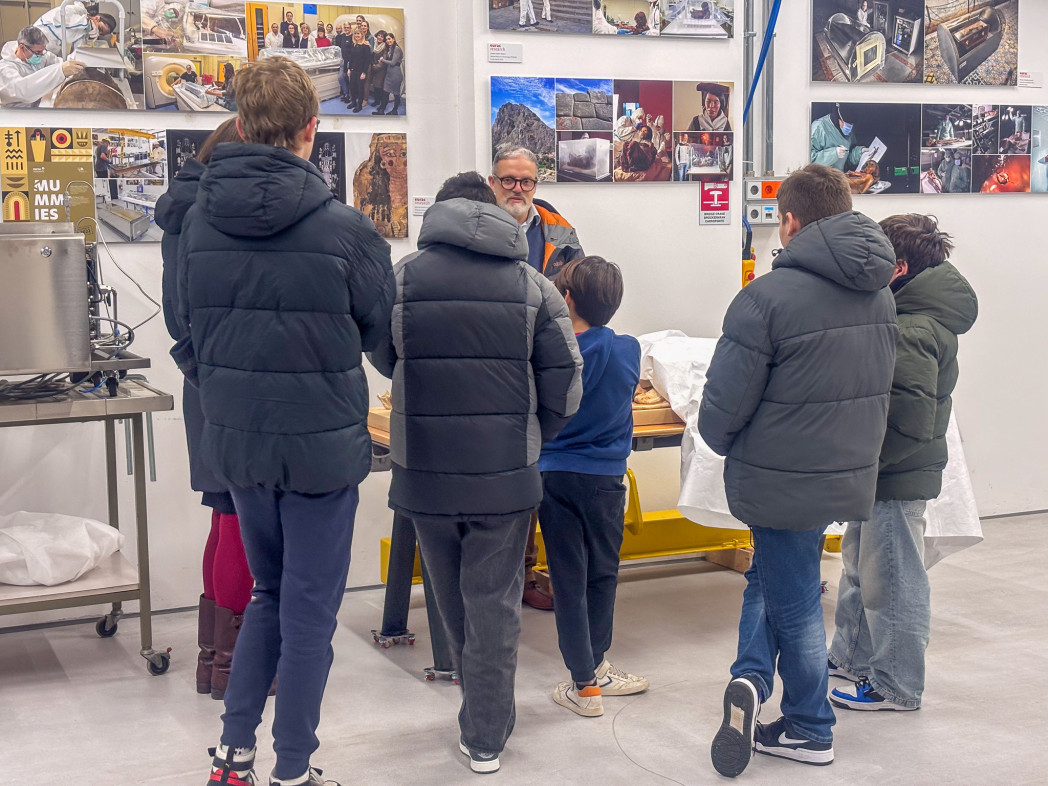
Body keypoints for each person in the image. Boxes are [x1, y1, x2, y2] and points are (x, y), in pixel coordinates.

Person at [176, 56, 394, 786]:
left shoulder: (200, 223)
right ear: (313, 129)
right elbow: (386, 339)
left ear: (239, 125)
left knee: (269, 597)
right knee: (308, 616)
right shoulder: (347, 231)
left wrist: (231, 393)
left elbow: (186, 337)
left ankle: (234, 756)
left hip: (239, 447)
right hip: (323, 453)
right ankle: (294, 769)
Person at [368, 171, 582, 775]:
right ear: (492, 212)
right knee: (494, 600)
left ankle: (481, 713)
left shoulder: (402, 279)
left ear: (438, 215)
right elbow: (566, 384)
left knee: (451, 598)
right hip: (506, 473)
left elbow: (385, 356)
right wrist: (533, 435)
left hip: (424, 470)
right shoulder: (534, 287)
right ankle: (487, 730)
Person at [699, 164, 898, 777]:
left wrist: (716, 435)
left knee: (797, 605)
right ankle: (752, 677)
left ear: (788, 220)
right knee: (775, 575)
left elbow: (723, 407)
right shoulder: (879, 289)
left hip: (778, 473)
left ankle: (812, 726)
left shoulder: (765, 298)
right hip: (841, 469)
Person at [829, 215, 977, 713]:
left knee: (892, 579)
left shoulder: (912, 327)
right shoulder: (904, 314)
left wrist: (861, 466)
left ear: (899, 267)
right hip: (878, 474)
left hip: (893, 475)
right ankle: (851, 657)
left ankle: (896, 685)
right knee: (859, 567)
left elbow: (910, 420)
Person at [156, 119, 258, 702]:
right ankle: (235, 663)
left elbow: (180, 317)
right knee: (240, 519)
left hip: (206, 380)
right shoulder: (210, 214)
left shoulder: (182, 210)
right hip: (232, 382)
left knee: (225, 516)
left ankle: (215, 661)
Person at [539, 255, 649, 718]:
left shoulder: (553, 354)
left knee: (567, 578)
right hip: (605, 478)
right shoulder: (628, 350)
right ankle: (598, 665)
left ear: (566, 299)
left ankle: (584, 684)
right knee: (602, 572)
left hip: (555, 475)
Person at [488, 146, 586, 610]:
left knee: (531, 477)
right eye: (509, 180)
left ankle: (524, 575)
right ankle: (493, 581)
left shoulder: (560, 232)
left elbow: (576, 297)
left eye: (526, 182)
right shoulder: (476, 227)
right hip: (488, 368)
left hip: (538, 370)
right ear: (493, 182)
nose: (518, 190)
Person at [0, 26, 83, 107]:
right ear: (22, 48)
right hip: (17, 115)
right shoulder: (6, 69)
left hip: (39, 106)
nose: (41, 55)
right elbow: (23, 91)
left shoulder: (42, 56)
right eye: (37, 52)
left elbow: (63, 64)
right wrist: (59, 71)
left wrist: (80, 55)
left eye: (43, 51)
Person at [34, 0, 115, 57]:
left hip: (53, 46)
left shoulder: (85, 29)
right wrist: (87, 23)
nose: (98, 33)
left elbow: (79, 47)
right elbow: (59, 19)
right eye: (100, 29)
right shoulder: (77, 11)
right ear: (97, 18)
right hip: (39, 37)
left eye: (101, 34)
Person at [811, 103, 864, 171]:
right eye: (847, 124)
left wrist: (859, 153)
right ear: (838, 119)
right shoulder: (818, 128)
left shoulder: (849, 133)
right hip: (820, 178)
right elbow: (809, 161)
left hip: (838, 178)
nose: (849, 128)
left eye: (851, 124)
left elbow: (847, 159)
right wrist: (833, 154)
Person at [374, 31, 402, 116]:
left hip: (395, 75)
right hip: (389, 74)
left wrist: (382, 60)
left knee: (396, 94)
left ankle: (394, 110)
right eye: (386, 39)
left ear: (393, 39)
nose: (388, 41)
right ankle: (381, 110)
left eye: (389, 39)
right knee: (385, 92)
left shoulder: (397, 49)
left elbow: (393, 63)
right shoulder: (390, 48)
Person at [345, 26, 371, 113]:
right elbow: (351, 58)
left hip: (361, 71)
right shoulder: (353, 45)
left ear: (362, 34)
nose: (356, 35)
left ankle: (359, 105)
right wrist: (349, 69)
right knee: (352, 87)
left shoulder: (365, 46)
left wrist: (364, 72)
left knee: (360, 88)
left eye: (358, 33)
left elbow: (367, 60)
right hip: (353, 70)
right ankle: (353, 102)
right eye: (355, 33)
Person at [368, 30, 386, 105]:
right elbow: (372, 56)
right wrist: (373, 65)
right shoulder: (375, 45)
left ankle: (378, 101)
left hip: (381, 70)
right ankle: (377, 100)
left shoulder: (385, 47)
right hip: (374, 67)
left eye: (382, 36)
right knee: (375, 86)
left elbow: (383, 61)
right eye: (379, 35)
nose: (380, 37)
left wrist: (375, 67)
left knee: (379, 86)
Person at [335, 23, 351, 101]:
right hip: (343, 60)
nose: (346, 29)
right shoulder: (343, 36)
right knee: (341, 78)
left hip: (350, 62)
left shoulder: (353, 37)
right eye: (345, 27)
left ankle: (351, 96)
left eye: (348, 27)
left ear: (350, 28)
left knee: (349, 79)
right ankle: (346, 93)